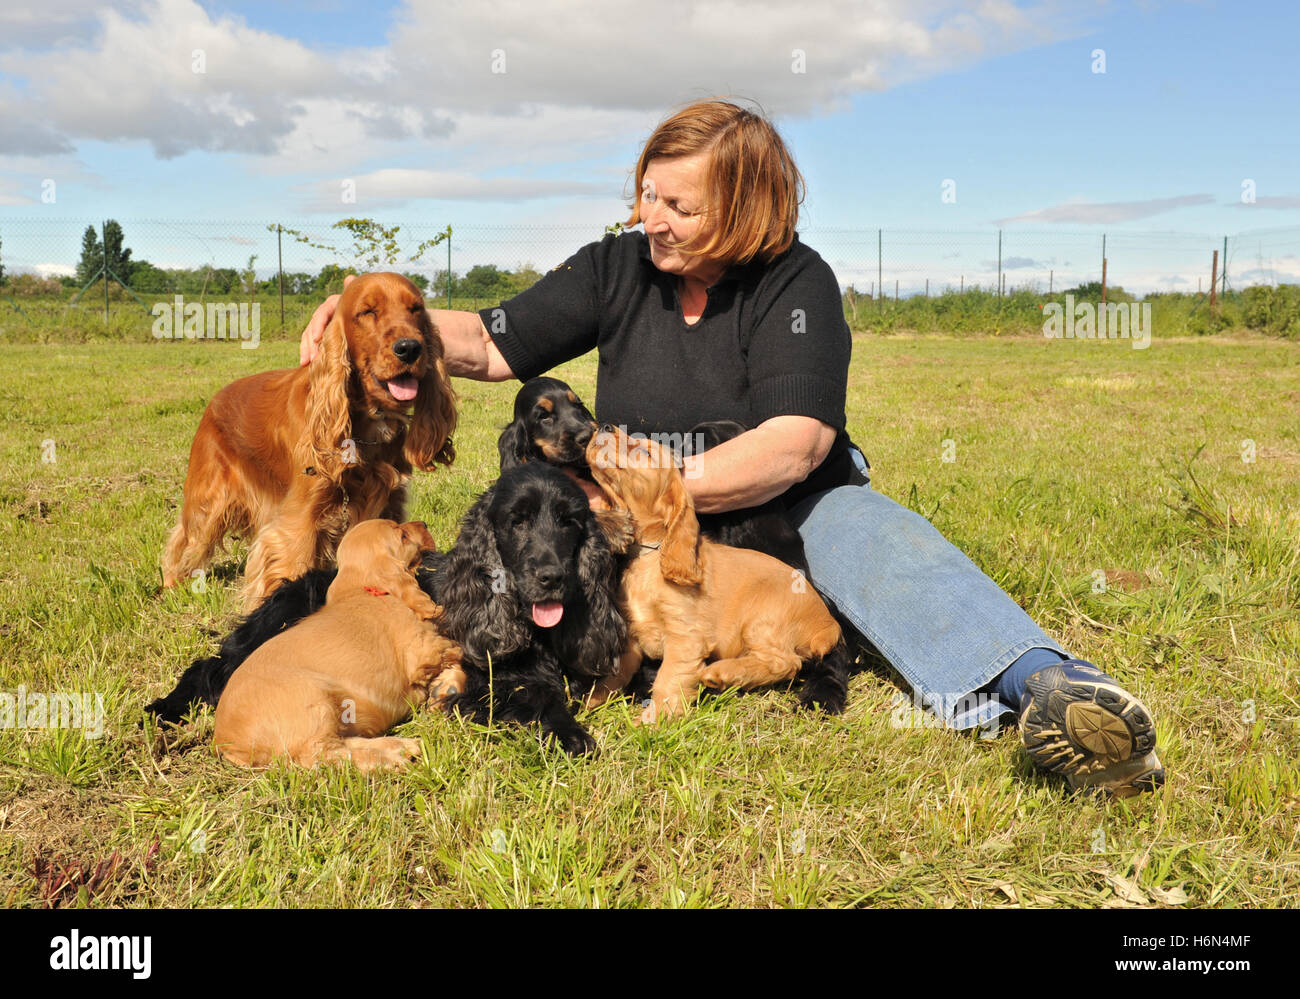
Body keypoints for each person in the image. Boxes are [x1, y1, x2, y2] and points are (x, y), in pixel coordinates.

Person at [301, 99, 1164, 796]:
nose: (652, 218)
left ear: (747, 209)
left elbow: (795, 445)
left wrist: (659, 498)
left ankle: (1047, 688)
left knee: (877, 540)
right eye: (647, 194)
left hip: (788, 516)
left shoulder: (798, 284)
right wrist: (376, 317)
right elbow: (488, 344)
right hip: (640, 523)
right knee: (514, 543)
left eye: (679, 206)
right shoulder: (618, 267)